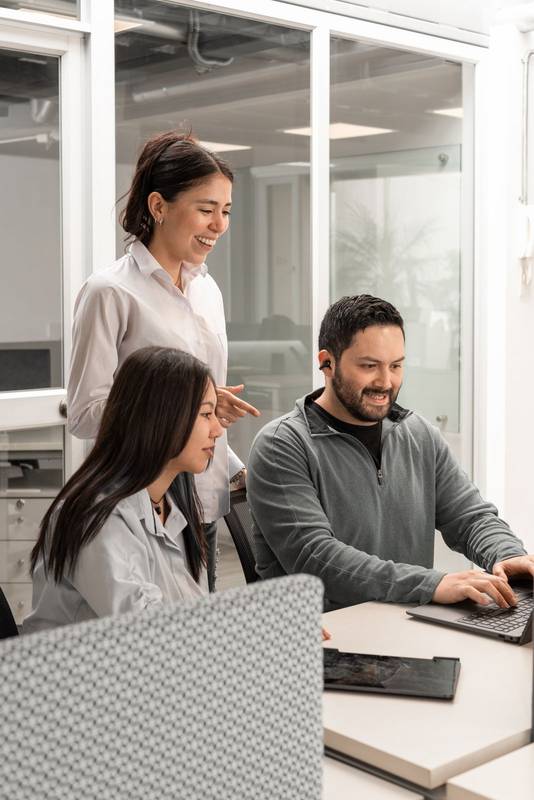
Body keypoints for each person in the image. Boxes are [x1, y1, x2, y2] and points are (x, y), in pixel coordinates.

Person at [247, 295, 534, 612]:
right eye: (369, 366)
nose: (386, 382)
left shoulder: (419, 435)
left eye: (395, 365)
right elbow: (315, 558)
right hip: (324, 634)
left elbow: (470, 518)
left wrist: (507, 554)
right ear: (327, 362)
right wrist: (431, 584)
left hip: (407, 623)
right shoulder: (281, 445)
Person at [67, 131, 259, 591]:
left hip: (203, 498)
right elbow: (85, 414)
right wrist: (182, 410)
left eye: (227, 211)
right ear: (158, 206)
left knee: (196, 627)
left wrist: (232, 461)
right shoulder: (110, 292)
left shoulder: (208, 290)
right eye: (206, 209)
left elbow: (195, 403)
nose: (219, 225)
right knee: (155, 629)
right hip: (140, 503)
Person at [24, 346, 223, 633]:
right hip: (92, 662)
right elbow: (147, 629)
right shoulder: (96, 516)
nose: (217, 429)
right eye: (206, 414)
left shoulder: (171, 503)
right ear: (161, 417)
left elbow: (193, 612)